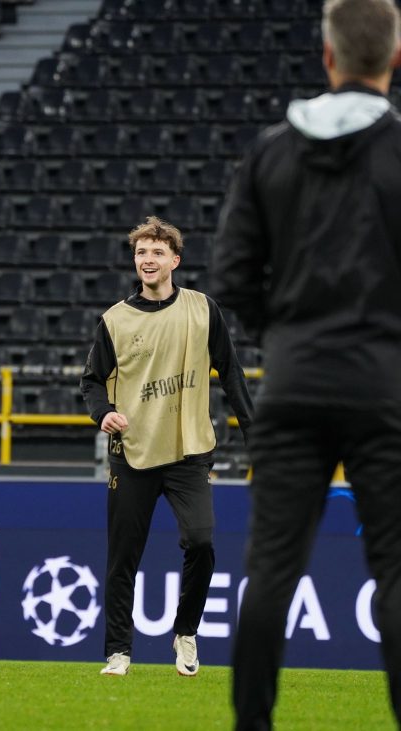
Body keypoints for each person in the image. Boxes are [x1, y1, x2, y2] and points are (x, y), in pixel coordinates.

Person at [212, 0, 401, 726]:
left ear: (327, 56)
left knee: (270, 572)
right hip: (384, 387)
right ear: (393, 59)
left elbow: (231, 278)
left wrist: (288, 334)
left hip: (292, 385)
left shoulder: (271, 151)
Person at [80, 216, 253, 677]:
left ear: (175, 260)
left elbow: (231, 374)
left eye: (157, 252)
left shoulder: (202, 309)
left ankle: (186, 632)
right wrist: (103, 412)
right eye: (141, 252)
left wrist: (255, 437)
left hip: (189, 452)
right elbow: (91, 381)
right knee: (123, 559)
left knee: (201, 541)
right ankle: (119, 652)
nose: (148, 259)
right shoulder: (115, 320)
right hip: (132, 453)